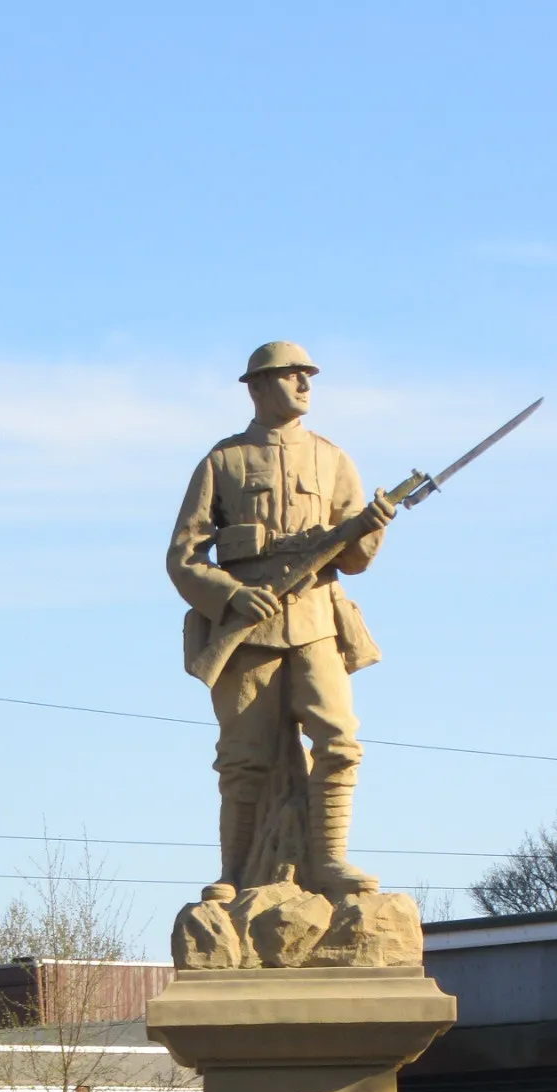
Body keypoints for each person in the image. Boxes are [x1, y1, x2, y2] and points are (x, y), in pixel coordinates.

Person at [167, 341, 396, 900]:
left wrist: (374, 525)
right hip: (249, 632)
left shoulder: (333, 458)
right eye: (290, 375)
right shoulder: (222, 462)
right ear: (257, 386)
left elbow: (356, 559)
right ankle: (235, 873)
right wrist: (231, 596)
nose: (304, 384)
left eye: (307, 375)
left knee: (339, 740)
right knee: (243, 759)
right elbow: (183, 558)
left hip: (317, 620)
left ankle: (330, 861)